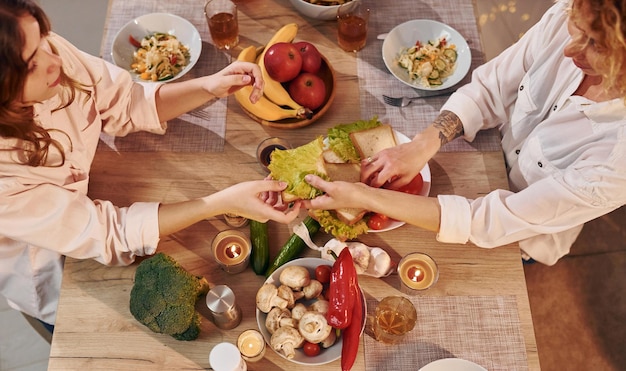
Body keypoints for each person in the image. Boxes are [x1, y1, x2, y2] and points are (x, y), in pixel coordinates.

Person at [0, 0, 300, 330]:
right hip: (49, 268)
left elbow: (124, 102)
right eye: (30, 64)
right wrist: (218, 203)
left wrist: (209, 86)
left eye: (44, 37)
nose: (54, 59)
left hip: (98, 192)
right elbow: (107, 232)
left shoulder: (45, 54)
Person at [303, 0, 626, 266]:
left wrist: (363, 195)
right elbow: (491, 89)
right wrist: (424, 143)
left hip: (519, 234)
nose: (570, 51)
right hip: (489, 159)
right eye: (578, 28)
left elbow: (492, 221)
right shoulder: (571, 13)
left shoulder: (618, 158)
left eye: (596, 45)